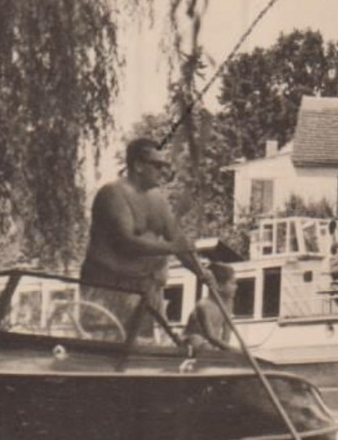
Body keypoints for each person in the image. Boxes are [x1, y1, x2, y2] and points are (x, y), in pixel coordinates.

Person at [80, 137, 195, 339]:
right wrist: (172, 248)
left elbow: (178, 240)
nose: (164, 172)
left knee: (141, 348)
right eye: (158, 166)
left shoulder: (158, 199)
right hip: (108, 286)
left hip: (143, 288)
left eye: (167, 166)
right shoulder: (112, 194)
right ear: (138, 165)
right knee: (105, 347)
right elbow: (127, 243)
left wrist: (201, 273)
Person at [185, 262, 239, 354]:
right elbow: (210, 336)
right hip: (194, 344)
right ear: (220, 286)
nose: (236, 287)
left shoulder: (229, 303)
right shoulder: (203, 305)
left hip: (213, 344)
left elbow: (227, 332)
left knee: (214, 348)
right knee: (198, 340)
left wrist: (226, 351)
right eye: (233, 283)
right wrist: (233, 350)